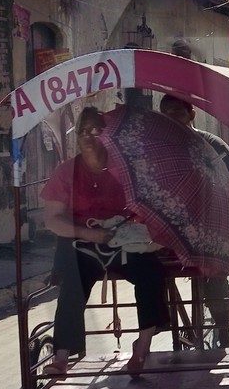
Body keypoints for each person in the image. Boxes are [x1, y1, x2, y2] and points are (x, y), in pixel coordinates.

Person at [40, 107, 167, 375]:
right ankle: (61, 355)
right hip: (83, 242)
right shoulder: (67, 172)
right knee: (72, 279)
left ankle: (142, 346)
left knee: (151, 272)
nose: (88, 137)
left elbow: (148, 203)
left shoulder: (125, 168)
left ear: (107, 136)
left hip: (123, 239)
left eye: (96, 131)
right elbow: (53, 219)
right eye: (83, 131)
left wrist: (129, 225)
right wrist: (90, 234)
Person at [159, 93, 229, 345]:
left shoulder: (215, 147)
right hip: (172, 231)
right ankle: (158, 328)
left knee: (213, 271)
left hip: (211, 229)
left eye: (178, 114)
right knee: (148, 268)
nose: (172, 121)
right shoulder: (159, 152)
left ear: (192, 114)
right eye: (167, 116)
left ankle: (223, 327)